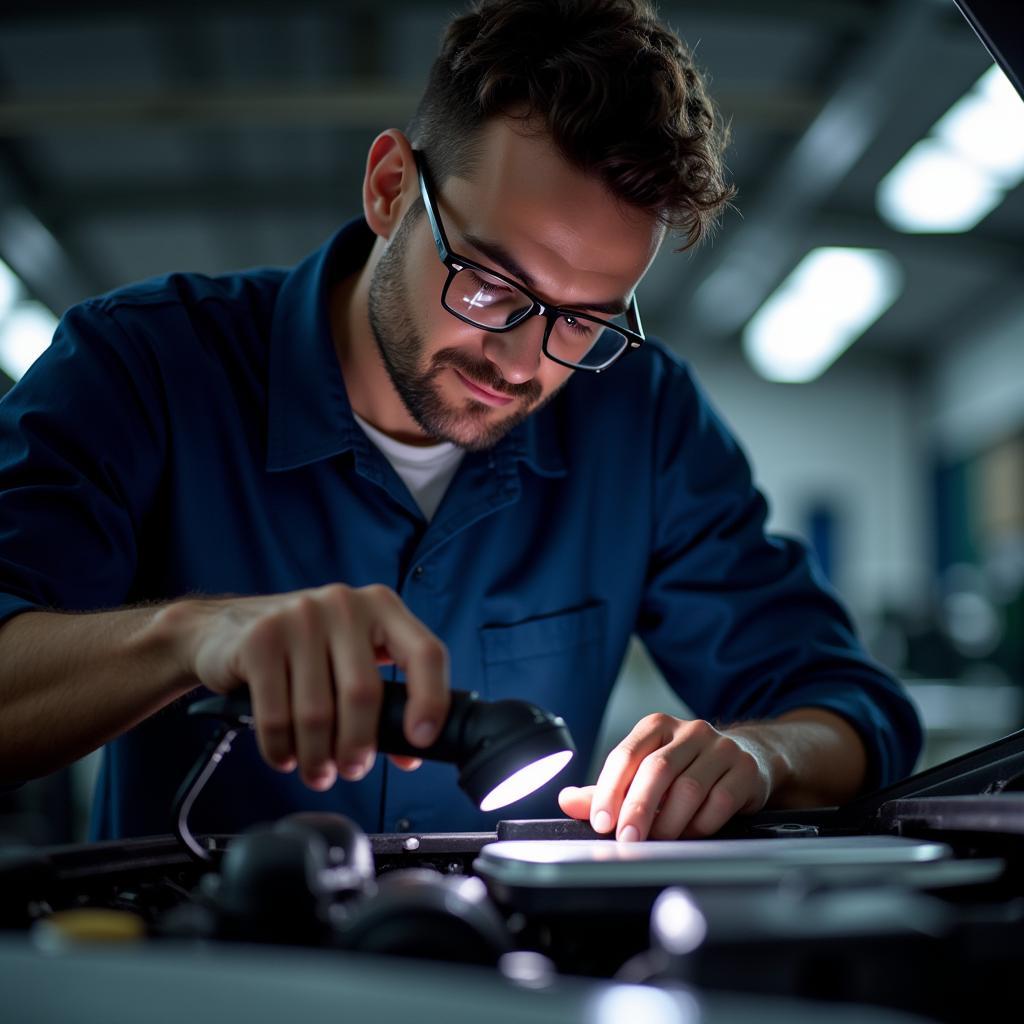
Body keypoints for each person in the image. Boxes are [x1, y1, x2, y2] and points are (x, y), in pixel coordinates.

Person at [0, 0, 921, 843]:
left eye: (586, 320)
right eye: (488, 283)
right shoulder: (144, 365)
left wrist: (757, 759)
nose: (522, 364)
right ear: (392, 187)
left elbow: (848, 704)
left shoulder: (639, 419)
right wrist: (191, 640)